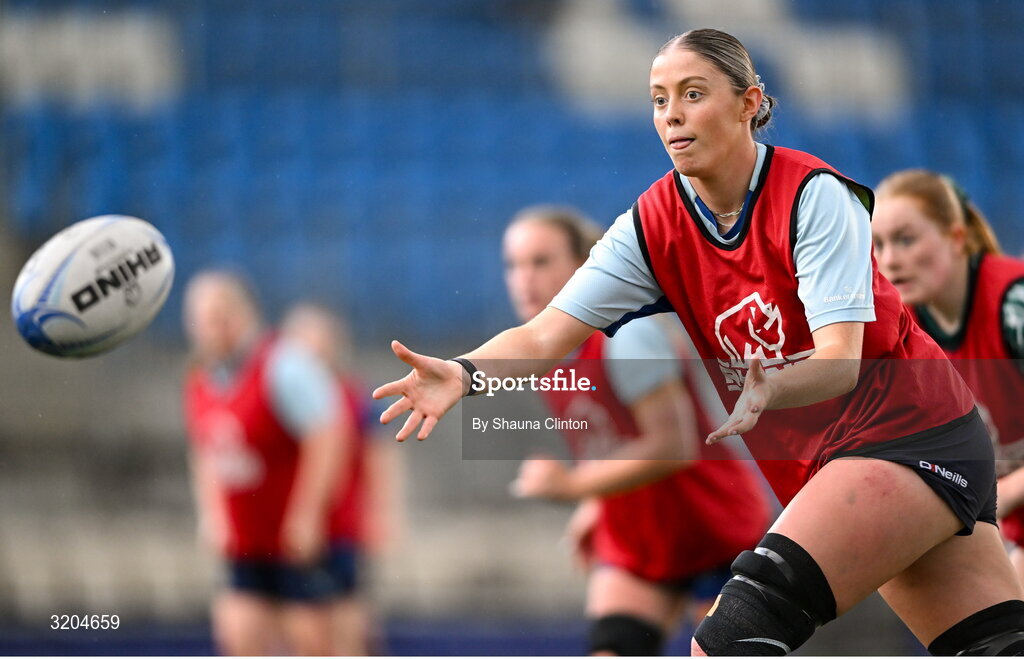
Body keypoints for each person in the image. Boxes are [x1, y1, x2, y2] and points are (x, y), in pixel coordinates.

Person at [374, 28, 1024, 656]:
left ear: (748, 103)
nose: (672, 115)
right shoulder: (653, 223)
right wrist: (463, 374)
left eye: (692, 93)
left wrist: (770, 381)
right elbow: (545, 335)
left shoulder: (813, 196)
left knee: (732, 635)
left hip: (906, 434)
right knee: (994, 647)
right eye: (659, 99)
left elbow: (840, 362)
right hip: (844, 460)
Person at [502, 205, 770, 655]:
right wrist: (595, 502)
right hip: (641, 542)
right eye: (513, 265)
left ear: (583, 266)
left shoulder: (627, 336)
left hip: (712, 530)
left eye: (540, 261)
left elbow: (672, 446)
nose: (523, 278)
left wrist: (572, 486)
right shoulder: (546, 353)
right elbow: (611, 442)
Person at [182, 270, 353, 656]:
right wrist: (213, 515)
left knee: (312, 638)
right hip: (248, 536)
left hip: (291, 537)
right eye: (201, 318)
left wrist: (307, 513)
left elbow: (327, 433)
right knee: (238, 631)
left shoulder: (283, 367)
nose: (209, 328)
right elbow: (205, 450)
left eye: (219, 315)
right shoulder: (200, 377)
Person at [872, 169, 1024, 578]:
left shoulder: (1014, 304)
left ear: (957, 239)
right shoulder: (901, 333)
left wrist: (1005, 490)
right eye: (878, 245)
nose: (889, 260)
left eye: (906, 239)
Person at [281, 302, 400, 656]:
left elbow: (381, 459)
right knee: (302, 625)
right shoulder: (281, 400)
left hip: (343, 524)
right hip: (292, 525)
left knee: (348, 615)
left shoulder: (353, 397)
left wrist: (383, 514)